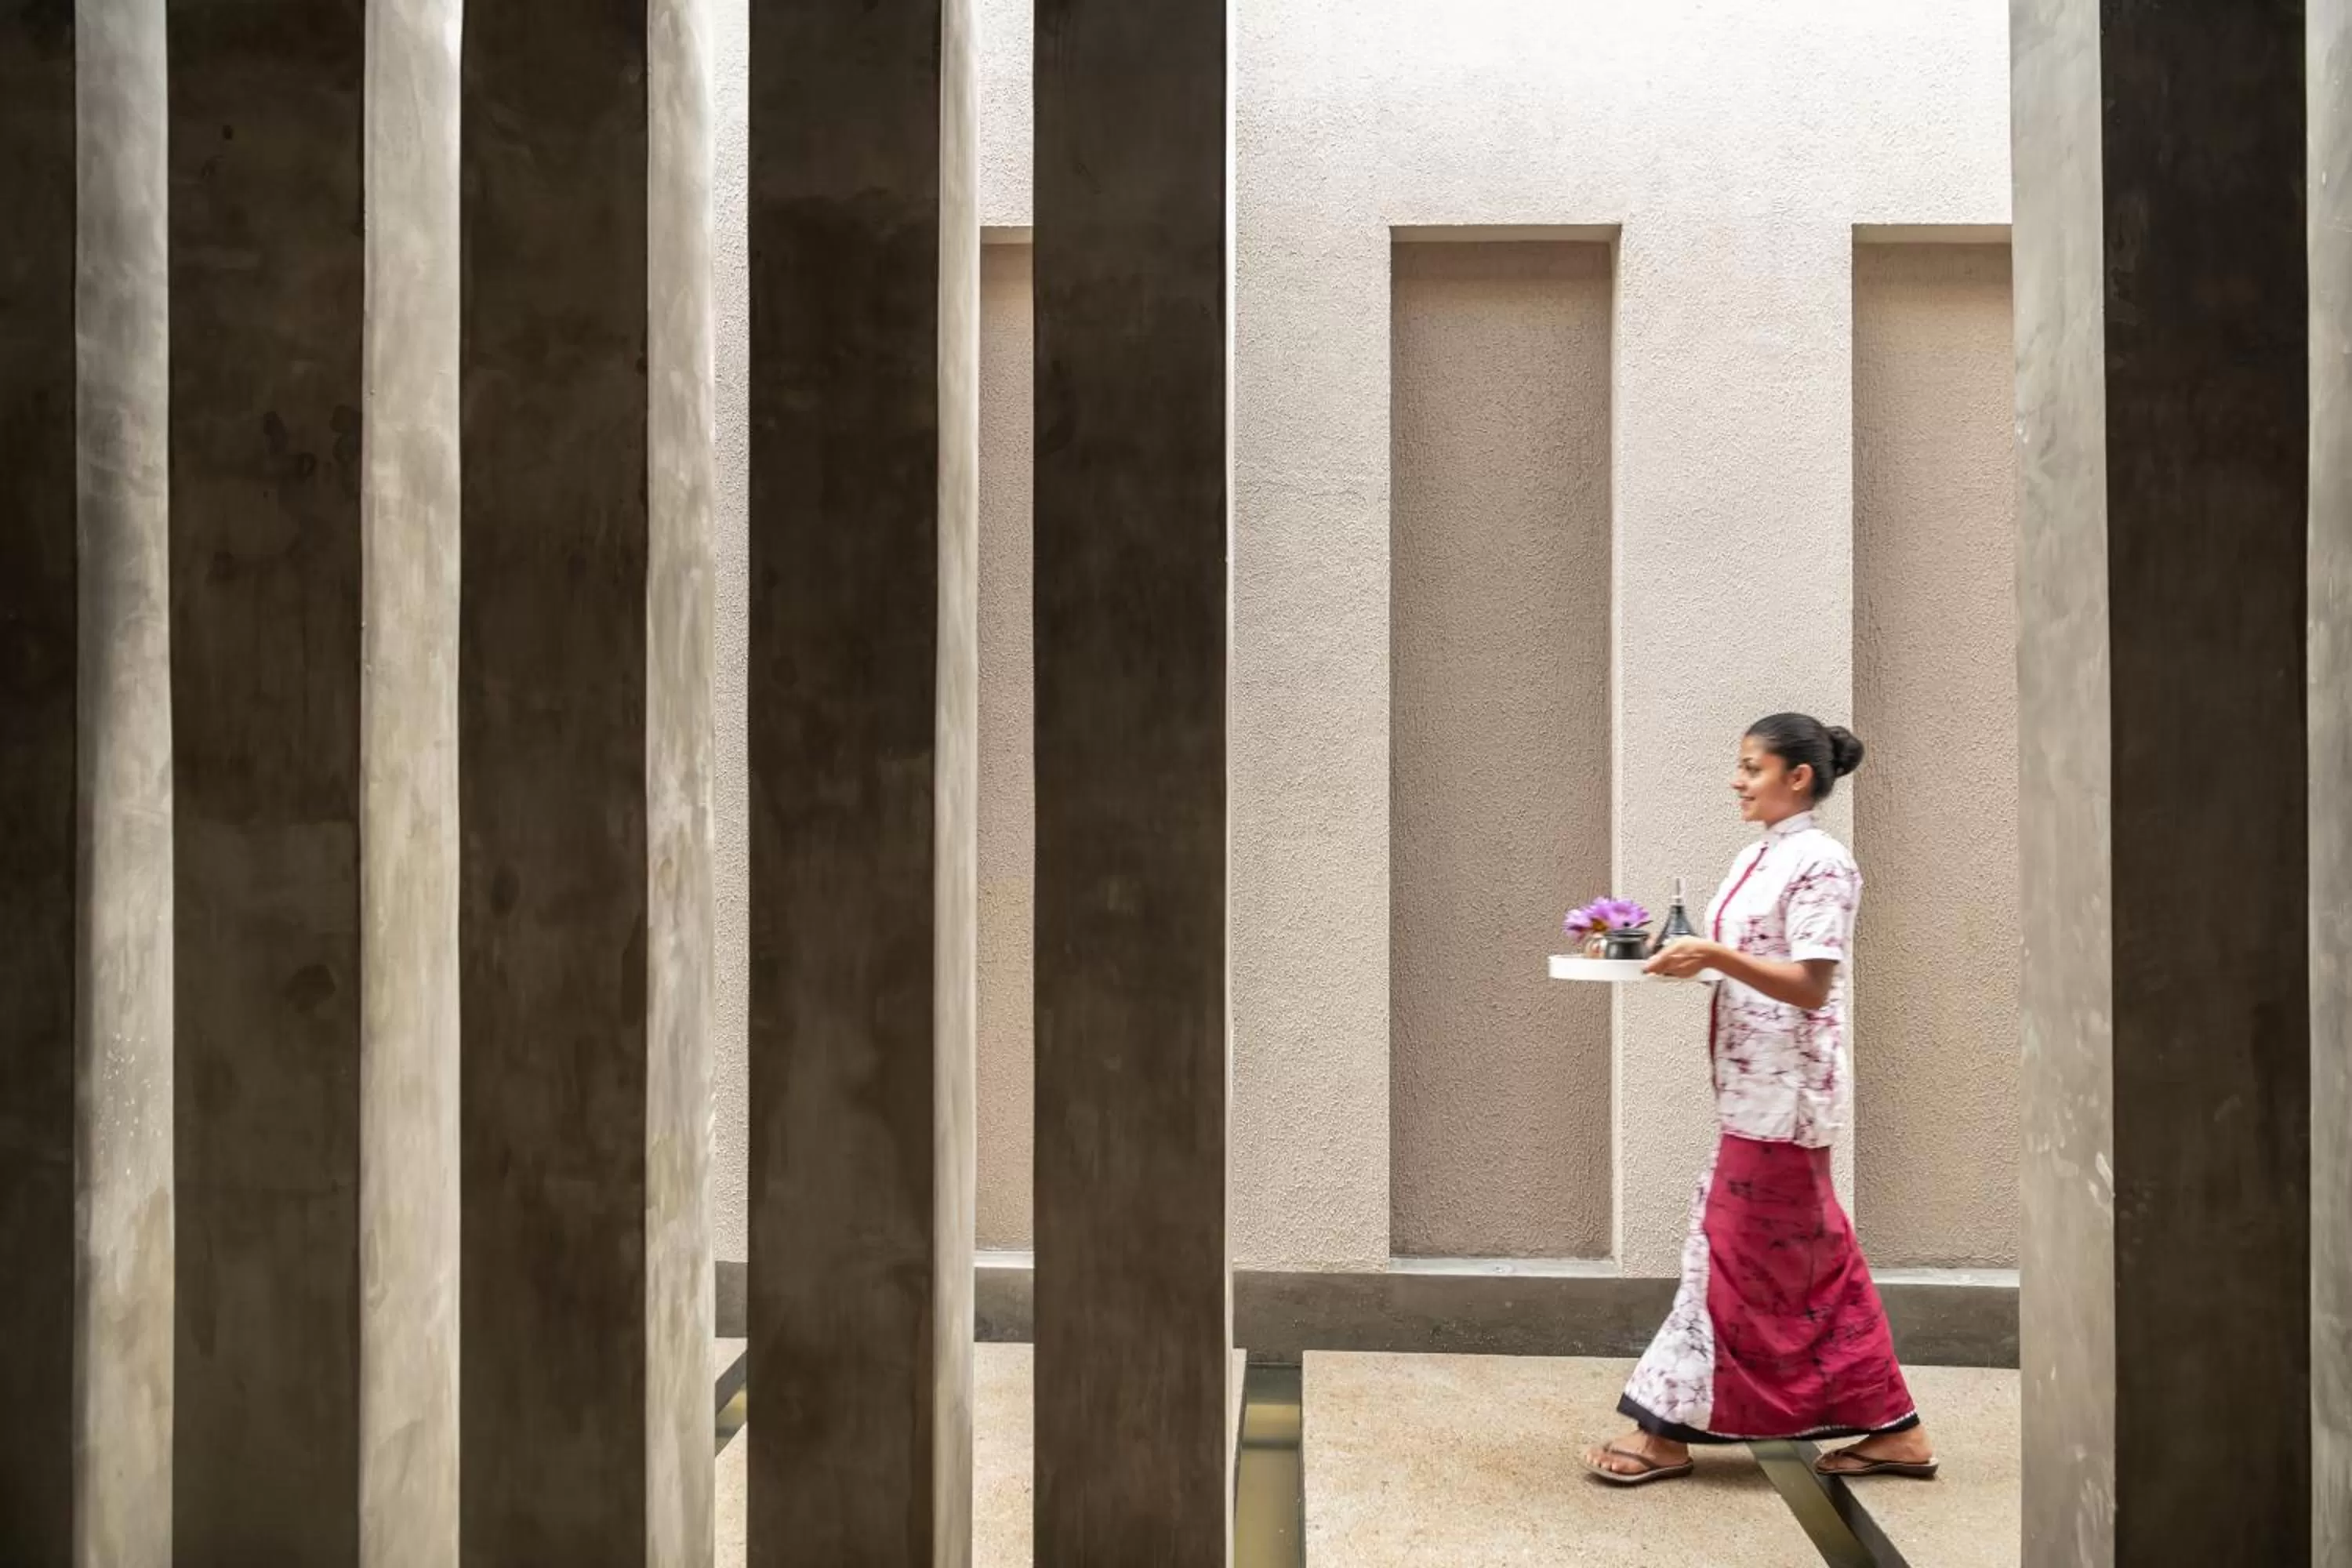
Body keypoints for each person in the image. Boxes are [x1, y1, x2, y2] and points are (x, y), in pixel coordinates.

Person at [1581, 713, 1937, 1487]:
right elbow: (1750, 963)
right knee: (1813, 1263)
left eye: (1752, 766)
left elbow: (1811, 981)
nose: (1737, 780)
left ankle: (1663, 1429)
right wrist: (1679, 956)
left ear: (1797, 776)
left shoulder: (1823, 864)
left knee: (1725, 1252)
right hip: (1751, 1088)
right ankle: (1897, 1431)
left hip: (1787, 1097)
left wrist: (1711, 953)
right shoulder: (1759, 857)